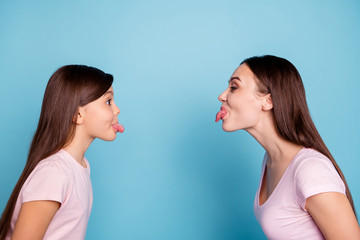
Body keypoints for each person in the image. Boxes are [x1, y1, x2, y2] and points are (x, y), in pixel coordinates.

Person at [216, 55, 360, 239]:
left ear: (268, 101)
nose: (222, 96)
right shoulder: (270, 160)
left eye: (234, 87)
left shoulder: (310, 170)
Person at [0, 65, 124, 240]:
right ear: (77, 115)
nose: (117, 109)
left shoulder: (81, 166)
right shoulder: (54, 173)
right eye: (108, 102)